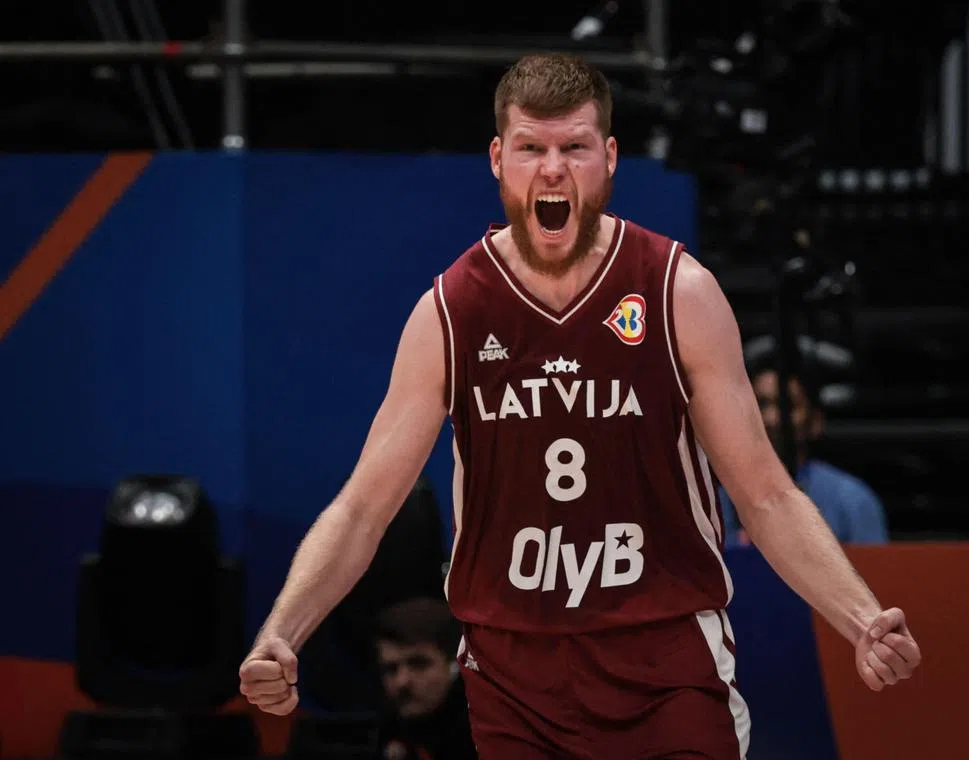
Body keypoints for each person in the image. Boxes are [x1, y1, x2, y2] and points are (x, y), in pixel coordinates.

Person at [238, 53, 921, 759]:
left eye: (575, 147)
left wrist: (861, 617)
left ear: (610, 157)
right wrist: (280, 632)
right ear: (499, 159)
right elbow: (362, 507)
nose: (553, 169)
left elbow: (767, 493)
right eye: (532, 147)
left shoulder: (676, 291)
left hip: (662, 657)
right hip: (516, 671)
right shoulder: (452, 311)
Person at [720, 356, 889, 546]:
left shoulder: (851, 500)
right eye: (761, 404)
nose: (770, 418)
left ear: (815, 421)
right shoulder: (716, 500)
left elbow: (875, 574)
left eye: (788, 406)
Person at [372, 598, 477, 760]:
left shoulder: (485, 735)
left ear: (455, 665)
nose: (402, 681)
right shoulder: (385, 733)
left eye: (419, 664)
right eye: (391, 669)